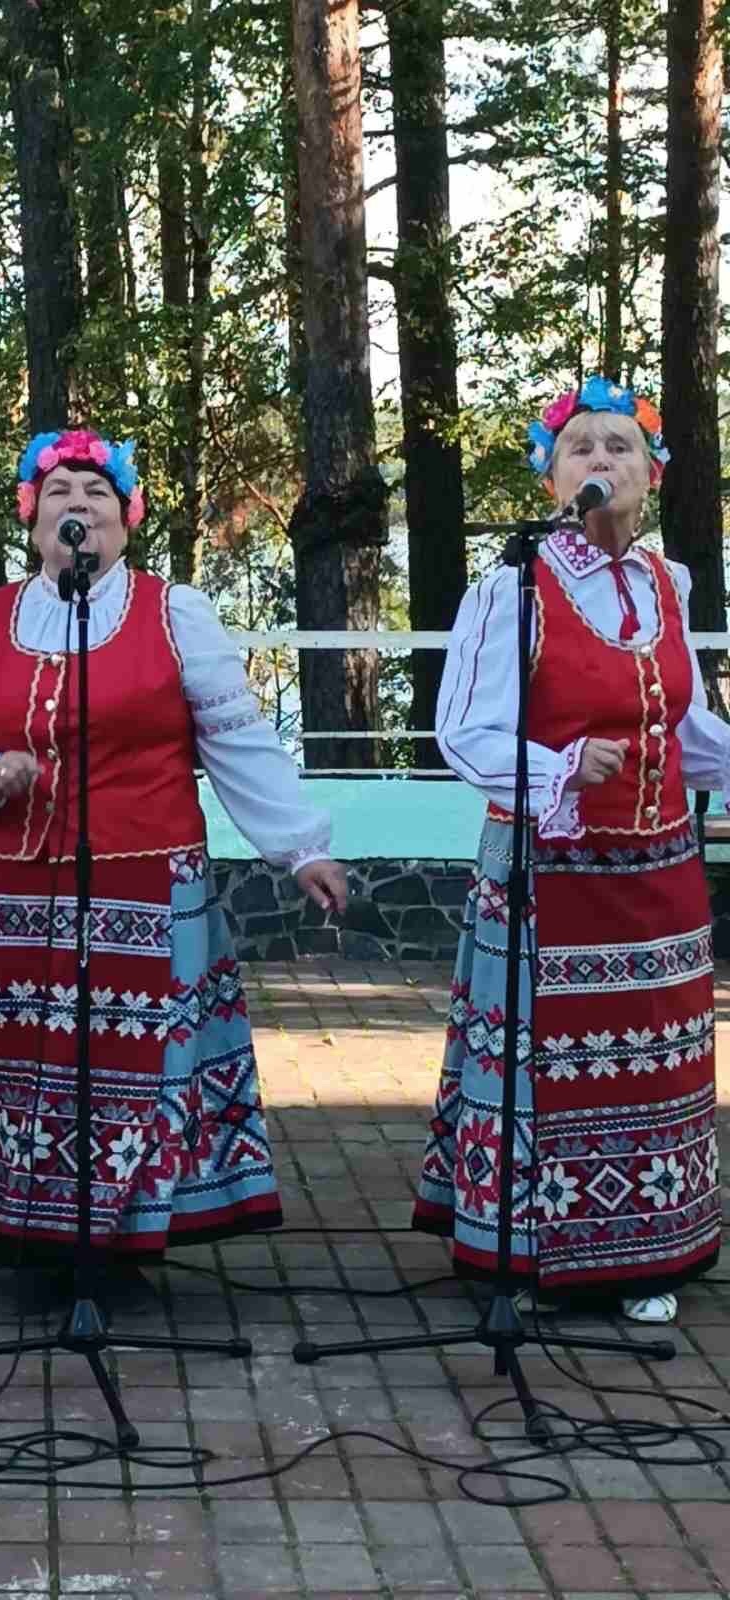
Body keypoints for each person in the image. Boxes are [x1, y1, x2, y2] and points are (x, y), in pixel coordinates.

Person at [0, 427, 348, 1257]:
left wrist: (301, 847)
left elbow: (239, 741)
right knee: (14, 1064)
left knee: (131, 1069)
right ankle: (30, 1236)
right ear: (33, 518)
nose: (79, 507)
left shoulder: (175, 613)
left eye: (97, 494)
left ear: (127, 518)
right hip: (10, 888)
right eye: (61, 494)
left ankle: (120, 1242)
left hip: (144, 885)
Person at [415, 376, 725, 1324]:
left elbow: (690, 729)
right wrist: (557, 765)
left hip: (660, 874)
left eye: (620, 446)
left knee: (653, 1062)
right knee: (541, 1064)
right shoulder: (514, 585)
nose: (601, 460)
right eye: (580, 448)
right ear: (553, 479)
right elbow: (461, 729)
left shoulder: (667, 584)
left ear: (653, 473)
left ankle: (642, 1255)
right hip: (547, 873)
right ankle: (533, 1248)